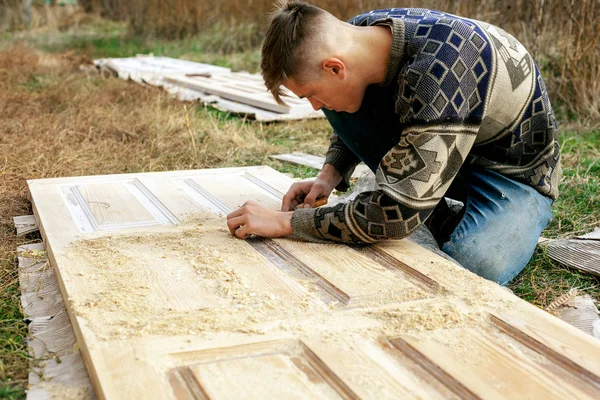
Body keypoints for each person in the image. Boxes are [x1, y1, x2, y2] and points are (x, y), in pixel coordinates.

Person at [226, 1, 561, 286]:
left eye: (310, 93)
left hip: (508, 172)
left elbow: (394, 217)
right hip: (439, 135)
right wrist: (328, 175)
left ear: (334, 67)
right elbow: (351, 119)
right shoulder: (357, 35)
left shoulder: (437, 73)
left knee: (475, 262)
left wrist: (286, 223)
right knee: (342, 102)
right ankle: (414, 187)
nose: (313, 106)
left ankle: (414, 193)